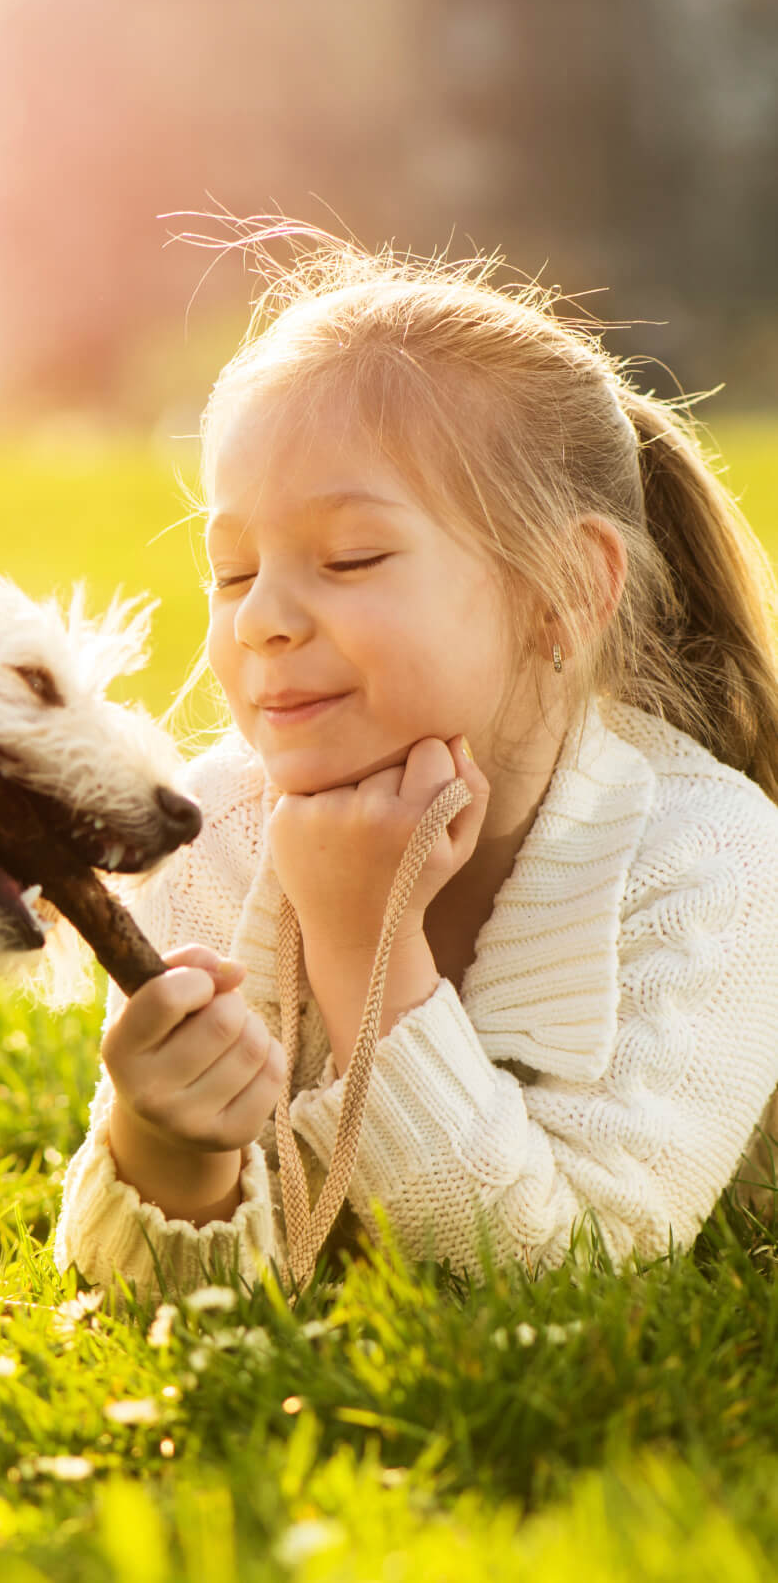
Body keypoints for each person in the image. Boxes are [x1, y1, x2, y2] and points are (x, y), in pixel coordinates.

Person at [52, 227, 778, 1299]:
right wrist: (171, 1150)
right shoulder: (212, 839)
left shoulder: (712, 859)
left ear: (566, 592)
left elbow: (569, 1271)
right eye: (233, 571)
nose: (261, 620)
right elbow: (157, 1293)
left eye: (349, 557)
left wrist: (366, 949)